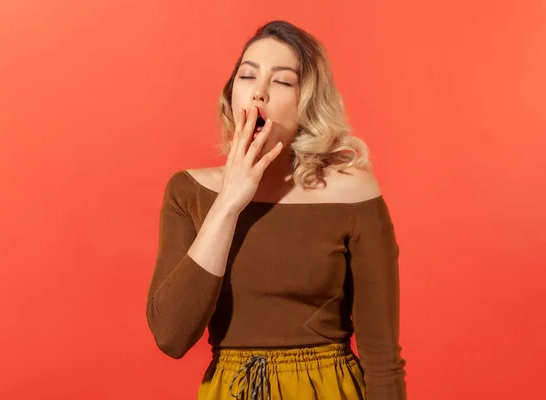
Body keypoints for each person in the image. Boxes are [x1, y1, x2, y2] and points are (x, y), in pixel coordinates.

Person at [146, 20, 407, 400]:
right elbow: (170, 335)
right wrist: (230, 201)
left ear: (308, 103)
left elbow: (383, 359)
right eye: (247, 76)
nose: (259, 94)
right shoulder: (188, 191)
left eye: (283, 81)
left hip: (328, 389)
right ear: (231, 93)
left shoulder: (352, 193)